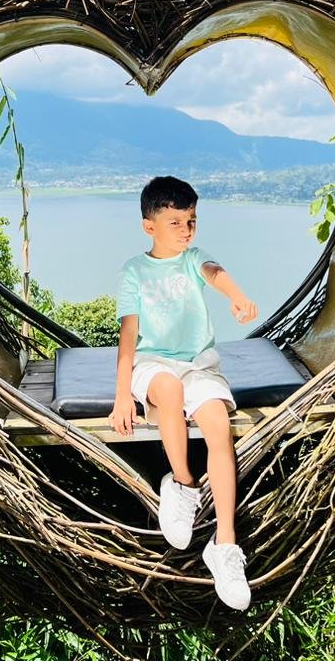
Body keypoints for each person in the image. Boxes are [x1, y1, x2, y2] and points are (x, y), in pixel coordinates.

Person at [110, 175, 259, 611]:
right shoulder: (135, 271)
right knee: (169, 390)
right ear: (149, 226)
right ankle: (183, 483)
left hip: (199, 364)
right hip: (153, 365)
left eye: (191, 220)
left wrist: (237, 296)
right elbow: (128, 335)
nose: (186, 230)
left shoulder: (194, 258)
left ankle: (225, 545)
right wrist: (122, 395)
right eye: (175, 222)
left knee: (217, 423)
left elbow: (215, 273)